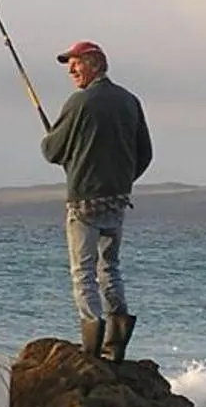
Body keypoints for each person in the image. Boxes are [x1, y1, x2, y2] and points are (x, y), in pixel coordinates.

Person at [39, 39, 153, 360]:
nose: (72, 70)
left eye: (76, 63)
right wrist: (121, 181)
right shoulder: (130, 101)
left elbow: (51, 151)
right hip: (117, 202)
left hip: (84, 202)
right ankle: (115, 345)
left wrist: (52, 138)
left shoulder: (79, 103)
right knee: (110, 268)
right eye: (69, 65)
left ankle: (90, 344)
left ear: (94, 63)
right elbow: (145, 154)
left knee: (83, 271)